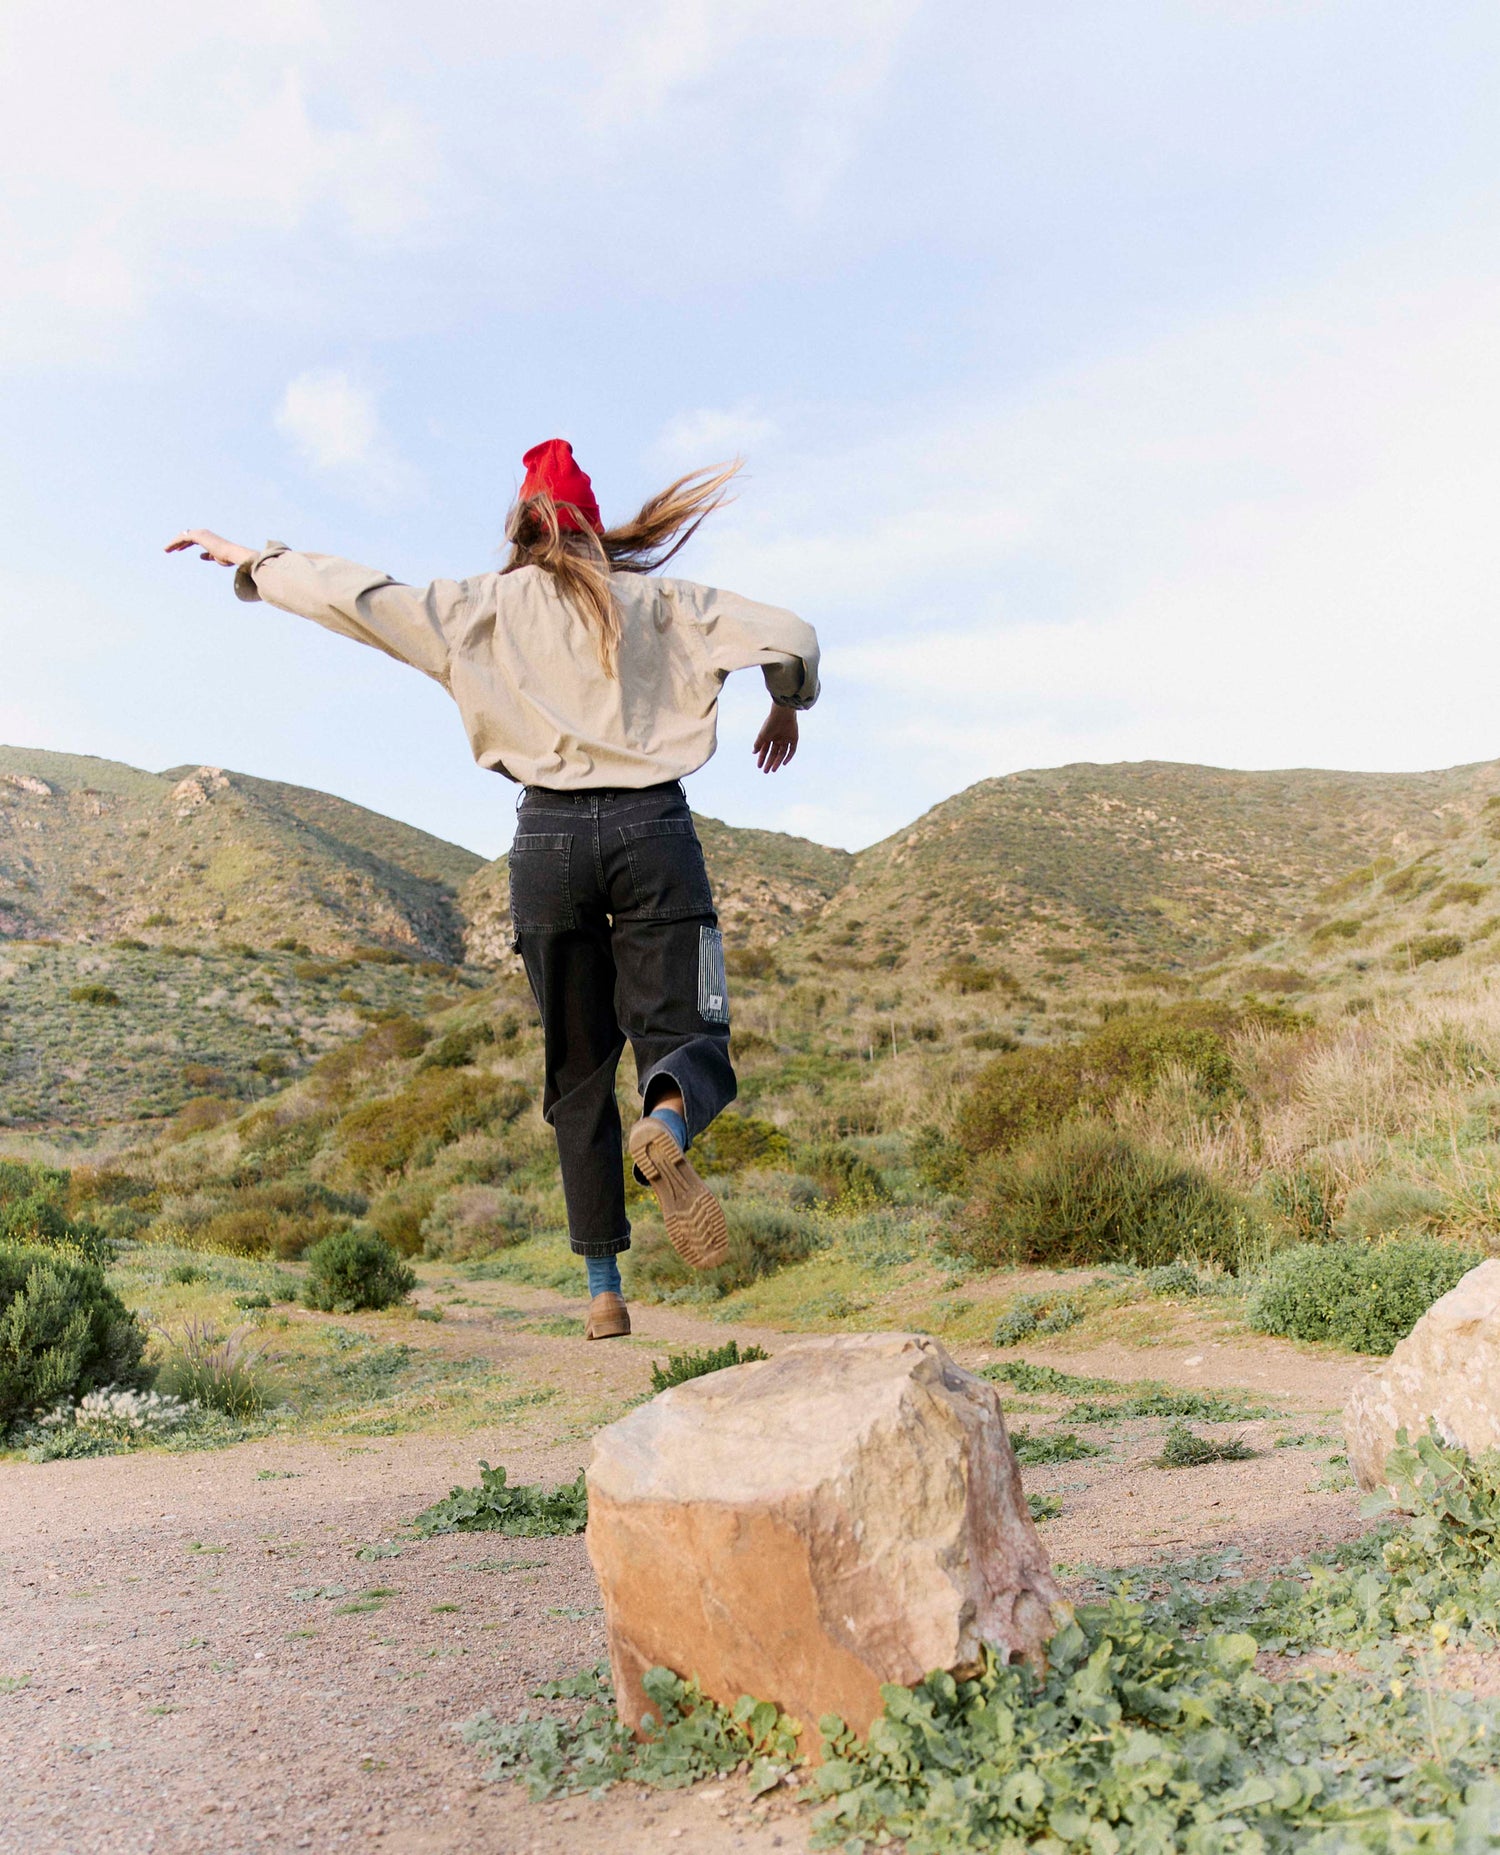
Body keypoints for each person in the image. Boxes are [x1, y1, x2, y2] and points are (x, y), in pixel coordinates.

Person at [166, 439, 819, 1340]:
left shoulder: (475, 607)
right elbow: (793, 634)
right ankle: (667, 1116)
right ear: (596, 527)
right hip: (651, 830)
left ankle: (602, 1287)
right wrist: (786, 698)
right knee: (687, 1029)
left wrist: (257, 562)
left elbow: (354, 596)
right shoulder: (664, 601)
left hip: (544, 840)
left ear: (522, 526)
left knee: (576, 1066)